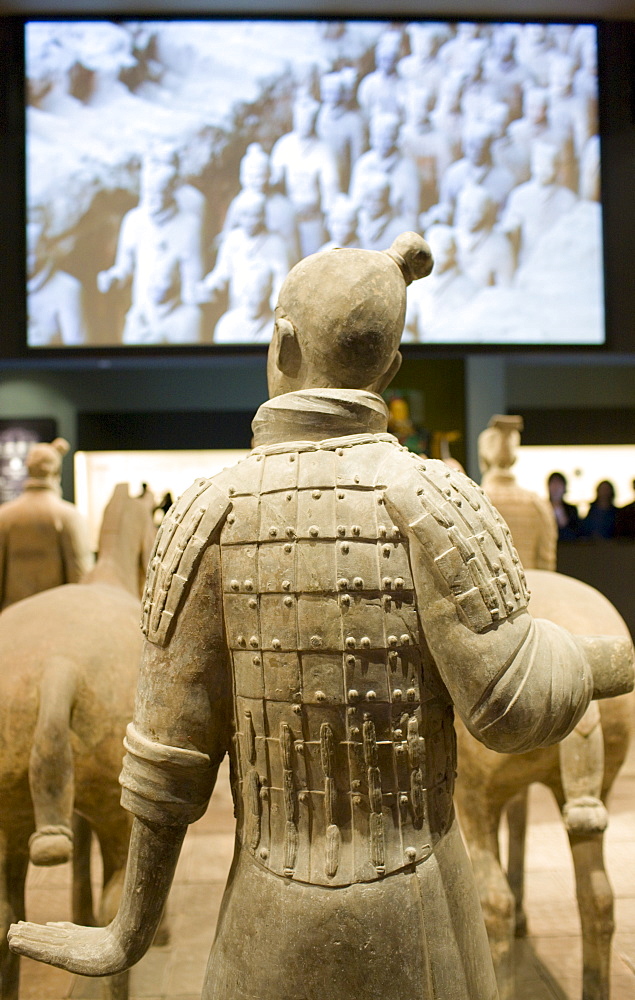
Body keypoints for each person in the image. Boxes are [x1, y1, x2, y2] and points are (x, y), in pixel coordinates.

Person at [10, 234, 632, 1000]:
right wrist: (608, 656)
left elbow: (170, 759)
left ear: (282, 345)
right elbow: (508, 705)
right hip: (422, 912)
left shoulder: (207, 511)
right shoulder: (435, 497)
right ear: (391, 368)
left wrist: (127, 932)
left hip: (266, 919)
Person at [97, 149, 204, 345]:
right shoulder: (133, 220)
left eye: (159, 193)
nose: (151, 200)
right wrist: (112, 278)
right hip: (142, 313)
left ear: (171, 191)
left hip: (174, 313)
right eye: (148, 193)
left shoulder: (189, 224)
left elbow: (192, 280)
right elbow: (124, 268)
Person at [0, 438, 92, 610]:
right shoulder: (68, 516)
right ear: (56, 471)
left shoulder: (4, 516)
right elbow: (81, 580)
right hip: (57, 617)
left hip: (10, 619)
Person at [270, 95, 340, 257]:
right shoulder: (284, 145)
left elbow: (330, 186)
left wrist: (330, 213)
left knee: (312, 260)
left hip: (312, 218)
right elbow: (275, 179)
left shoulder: (324, 150)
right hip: (288, 216)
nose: (303, 125)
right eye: (300, 120)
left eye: (307, 121)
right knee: (288, 257)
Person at [547, 471, 580, 540]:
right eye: (553, 484)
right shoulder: (542, 508)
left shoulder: (572, 510)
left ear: (564, 488)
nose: (556, 488)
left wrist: (559, 512)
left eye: (559, 484)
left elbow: (574, 534)